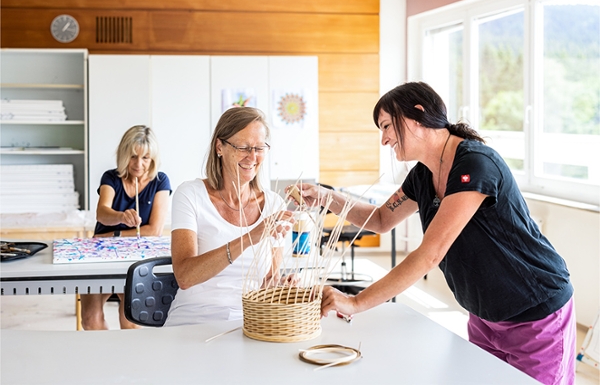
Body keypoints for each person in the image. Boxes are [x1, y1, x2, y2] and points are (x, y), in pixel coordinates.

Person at [293, 82, 576, 385]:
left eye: (387, 126)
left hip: (535, 312)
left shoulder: (475, 164)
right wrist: (325, 197)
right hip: (484, 317)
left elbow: (431, 253)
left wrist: (356, 302)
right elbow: (379, 219)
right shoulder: (422, 175)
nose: (384, 140)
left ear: (417, 115)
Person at [164, 107, 294, 326]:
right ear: (219, 147)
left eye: (259, 147)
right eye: (243, 147)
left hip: (251, 321)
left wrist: (283, 285)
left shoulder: (274, 205)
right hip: (193, 319)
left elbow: (268, 282)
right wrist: (249, 237)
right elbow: (185, 277)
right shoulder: (190, 195)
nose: (253, 157)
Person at [81, 125, 172, 330]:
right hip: (101, 255)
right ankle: (106, 359)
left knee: (131, 319)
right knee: (90, 318)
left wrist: (115, 234)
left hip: (136, 258)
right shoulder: (111, 178)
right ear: (123, 155)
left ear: (153, 159)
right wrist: (121, 216)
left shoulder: (160, 181)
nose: (138, 164)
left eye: (145, 158)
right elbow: (102, 212)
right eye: (133, 156)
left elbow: (154, 230)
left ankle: (128, 360)